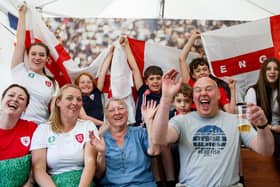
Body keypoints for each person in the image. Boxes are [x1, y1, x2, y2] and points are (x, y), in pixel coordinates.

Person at [152, 69, 274, 187]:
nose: (203, 93)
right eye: (198, 90)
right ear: (194, 97)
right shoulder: (181, 121)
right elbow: (158, 139)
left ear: (218, 95)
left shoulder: (238, 121)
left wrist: (262, 126)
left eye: (209, 89)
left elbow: (266, 150)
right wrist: (166, 98)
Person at [119, 36, 176, 186]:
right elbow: (135, 68)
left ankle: (170, 179)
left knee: (162, 145)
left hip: (162, 131)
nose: (156, 81)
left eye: (158, 78)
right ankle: (157, 180)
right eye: (152, 79)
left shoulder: (166, 93)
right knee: (151, 151)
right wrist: (126, 47)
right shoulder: (142, 90)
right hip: (142, 129)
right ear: (146, 81)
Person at [30, 84, 98, 186]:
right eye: (69, 98)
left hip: (83, 182)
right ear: (58, 102)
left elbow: (90, 162)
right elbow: (38, 169)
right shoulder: (43, 129)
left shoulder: (88, 125)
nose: (75, 103)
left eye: (79, 99)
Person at [90, 98, 160, 187]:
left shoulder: (140, 133)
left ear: (127, 112)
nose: (117, 112)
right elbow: (97, 175)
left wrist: (149, 121)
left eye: (120, 108)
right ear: (106, 116)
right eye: (112, 110)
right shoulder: (101, 139)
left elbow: (155, 151)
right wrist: (102, 153)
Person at [11, 4, 58, 124]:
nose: (37, 58)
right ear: (28, 56)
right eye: (34, 54)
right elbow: (20, 42)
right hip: (14, 124)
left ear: (47, 59)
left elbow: (54, 111)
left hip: (39, 128)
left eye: (41, 55)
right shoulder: (19, 70)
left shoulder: (53, 83)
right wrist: (22, 16)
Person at [179, 31, 236, 113]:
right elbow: (182, 59)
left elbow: (231, 113)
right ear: (193, 75)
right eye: (198, 71)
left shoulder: (219, 91)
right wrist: (193, 38)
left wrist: (232, 89)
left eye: (205, 69)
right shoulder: (189, 85)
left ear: (209, 72)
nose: (202, 72)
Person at [0, 84, 37, 187]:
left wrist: (30, 183)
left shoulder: (32, 128)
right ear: (2, 101)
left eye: (21, 98)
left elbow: (38, 165)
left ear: (25, 108)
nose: (15, 99)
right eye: (11, 95)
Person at [244, 57, 280, 159]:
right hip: (263, 132)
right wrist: (272, 128)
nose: (272, 72)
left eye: (276, 69)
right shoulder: (253, 91)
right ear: (263, 72)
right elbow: (251, 120)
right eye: (268, 69)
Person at [75, 47, 113, 128]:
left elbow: (103, 72)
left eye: (89, 82)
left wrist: (110, 54)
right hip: (87, 129)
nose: (86, 84)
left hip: (101, 129)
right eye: (82, 82)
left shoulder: (97, 92)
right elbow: (84, 117)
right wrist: (104, 124)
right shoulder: (77, 98)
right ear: (77, 85)